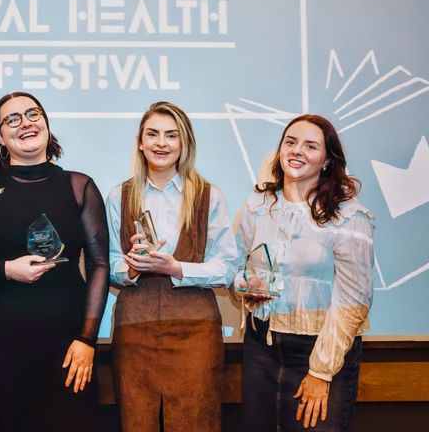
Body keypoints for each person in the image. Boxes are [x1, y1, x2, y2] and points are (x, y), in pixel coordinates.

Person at [0, 91, 109, 432]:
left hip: (67, 341)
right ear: (0, 137)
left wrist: (88, 339)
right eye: (12, 119)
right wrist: (6, 270)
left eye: (33, 114)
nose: (26, 123)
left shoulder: (79, 186)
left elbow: (99, 265)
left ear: (46, 124)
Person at [234, 114, 374, 431]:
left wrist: (321, 372)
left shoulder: (349, 217)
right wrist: (244, 285)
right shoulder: (258, 206)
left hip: (320, 354)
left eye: (311, 146)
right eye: (290, 142)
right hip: (261, 349)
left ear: (327, 160)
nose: (297, 151)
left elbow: (354, 303)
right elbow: (237, 267)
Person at [106, 101, 238, 432]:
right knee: (136, 422)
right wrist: (132, 269)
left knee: (197, 421)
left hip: (195, 331)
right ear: (140, 141)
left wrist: (177, 268)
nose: (161, 143)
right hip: (134, 330)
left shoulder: (210, 196)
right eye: (152, 134)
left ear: (184, 144)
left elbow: (227, 268)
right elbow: (107, 264)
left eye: (171, 135)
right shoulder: (117, 196)